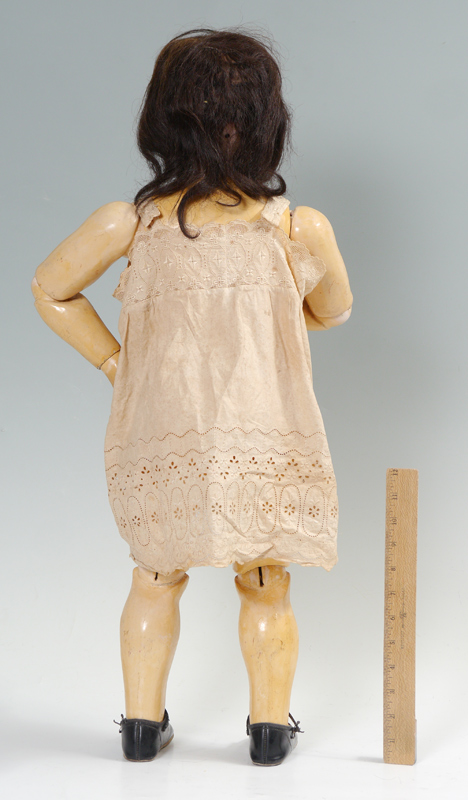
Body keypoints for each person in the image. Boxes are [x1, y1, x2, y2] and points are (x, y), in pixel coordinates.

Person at [32, 27, 353, 766]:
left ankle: (141, 729)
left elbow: (51, 290)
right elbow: (334, 311)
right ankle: (268, 733)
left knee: (154, 573)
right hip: (265, 427)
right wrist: (274, 323)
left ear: (163, 119)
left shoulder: (131, 224)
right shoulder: (297, 227)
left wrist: (118, 365)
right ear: (267, 124)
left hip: (159, 425)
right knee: (265, 580)